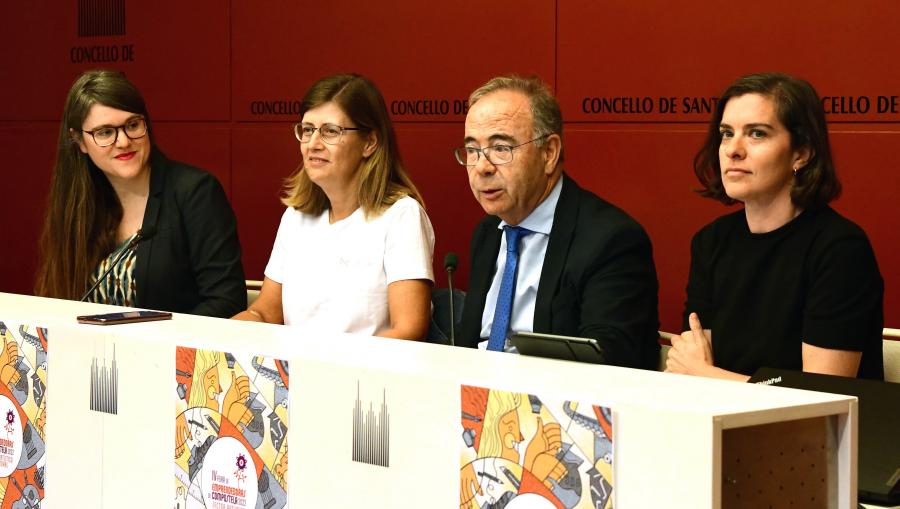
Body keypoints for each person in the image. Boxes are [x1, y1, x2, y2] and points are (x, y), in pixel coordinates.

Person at [667, 72, 884, 381]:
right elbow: (688, 367)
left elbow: (821, 398)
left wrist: (709, 375)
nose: (733, 149)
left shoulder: (839, 249)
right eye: (727, 133)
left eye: (756, 134)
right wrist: (704, 374)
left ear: (802, 153)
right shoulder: (711, 241)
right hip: (722, 422)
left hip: (823, 429)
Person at [454, 75, 660, 369]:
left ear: (549, 153)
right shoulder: (488, 233)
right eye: (473, 151)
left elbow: (609, 365)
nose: (482, 168)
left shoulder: (611, 240)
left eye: (501, 148)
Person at [233, 74, 434, 340]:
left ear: (370, 142)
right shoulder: (296, 217)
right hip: (295, 375)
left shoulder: (401, 216)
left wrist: (333, 370)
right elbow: (266, 314)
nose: (313, 144)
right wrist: (218, 337)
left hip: (364, 377)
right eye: (307, 130)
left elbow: (408, 331)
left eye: (330, 131)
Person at [35, 69, 246, 317]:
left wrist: (155, 345)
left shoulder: (196, 193)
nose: (123, 141)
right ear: (79, 140)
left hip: (170, 353)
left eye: (132, 125)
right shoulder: (77, 206)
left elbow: (227, 301)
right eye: (105, 132)